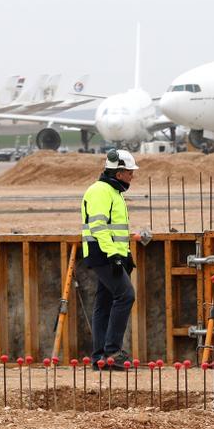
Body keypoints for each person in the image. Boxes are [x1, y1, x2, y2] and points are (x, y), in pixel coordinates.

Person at [81, 149, 138, 365]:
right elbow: (98, 226)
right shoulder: (100, 191)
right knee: (125, 296)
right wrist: (113, 255)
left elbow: (117, 231)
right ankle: (112, 351)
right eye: (130, 172)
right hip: (102, 253)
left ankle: (100, 357)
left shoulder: (114, 192)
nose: (132, 175)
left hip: (111, 254)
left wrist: (125, 255)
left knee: (104, 303)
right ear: (118, 172)